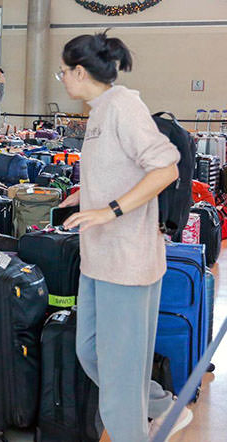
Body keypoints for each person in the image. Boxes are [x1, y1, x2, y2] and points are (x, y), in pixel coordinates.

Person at [57, 32, 192, 442]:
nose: (61, 78)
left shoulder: (124, 107)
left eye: (63, 71)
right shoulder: (99, 111)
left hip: (128, 261)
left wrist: (109, 210)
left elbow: (166, 169)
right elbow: (125, 168)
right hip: (98, 256)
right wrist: (88, 195)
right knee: (91, 353)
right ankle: (161, 406)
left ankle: (136, 428)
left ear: (80, 72)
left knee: (119, 373)